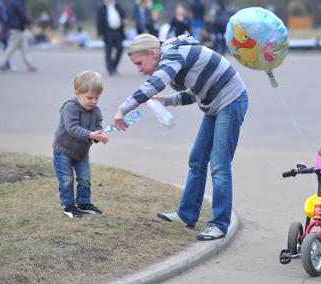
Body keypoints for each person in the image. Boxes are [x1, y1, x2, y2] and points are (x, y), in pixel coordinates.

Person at [113, 33, 248, 241]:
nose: (138, 69)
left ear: (153, 53)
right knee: (197, 160)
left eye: (139, 63)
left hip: (231, 100)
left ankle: (219, 224)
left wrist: (123, 109)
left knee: (220, 165)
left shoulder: (173, 54)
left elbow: (155, 84)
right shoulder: (172, 54)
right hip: (216, 104)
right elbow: (198, 89)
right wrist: (168, 101)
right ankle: (187, 215)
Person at [53, 70, 108, 218]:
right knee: (67, 179)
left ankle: (84, 202)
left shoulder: (96, 111)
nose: (94, 102)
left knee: (85, 178)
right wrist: (90, 135)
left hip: (81, 153)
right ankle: (68, 206)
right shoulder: (70, 107)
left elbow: (97, 126)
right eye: (89, 97)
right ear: (77, 93)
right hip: (63, 151)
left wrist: (99, 135)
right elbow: (72, 128)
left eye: (97, 98)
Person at [0, 0, 37, 72]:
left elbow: (7, 15)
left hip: (14, 27)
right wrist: (29, 22)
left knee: (24, 48)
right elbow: (22, 14)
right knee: (12, 47)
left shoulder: (12, 3)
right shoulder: (19, 3)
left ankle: (30, 65)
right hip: (17, 28)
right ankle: (2, 63)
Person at [96, 0, 126, 76]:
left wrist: (125, 20)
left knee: (120, 49)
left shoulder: (117, 6)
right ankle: (110, 70)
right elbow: (98, 21)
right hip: (107, 32)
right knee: (108, 51)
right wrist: (100, 33)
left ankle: (114, 66)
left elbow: (123, 15)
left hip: (118, 31)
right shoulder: (101, 8)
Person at [0, 0, 10, 70]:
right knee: (6, 47)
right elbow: (4, 18)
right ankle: (7, 64)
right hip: (1, 29)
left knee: (6, 46)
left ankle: (7, 64)